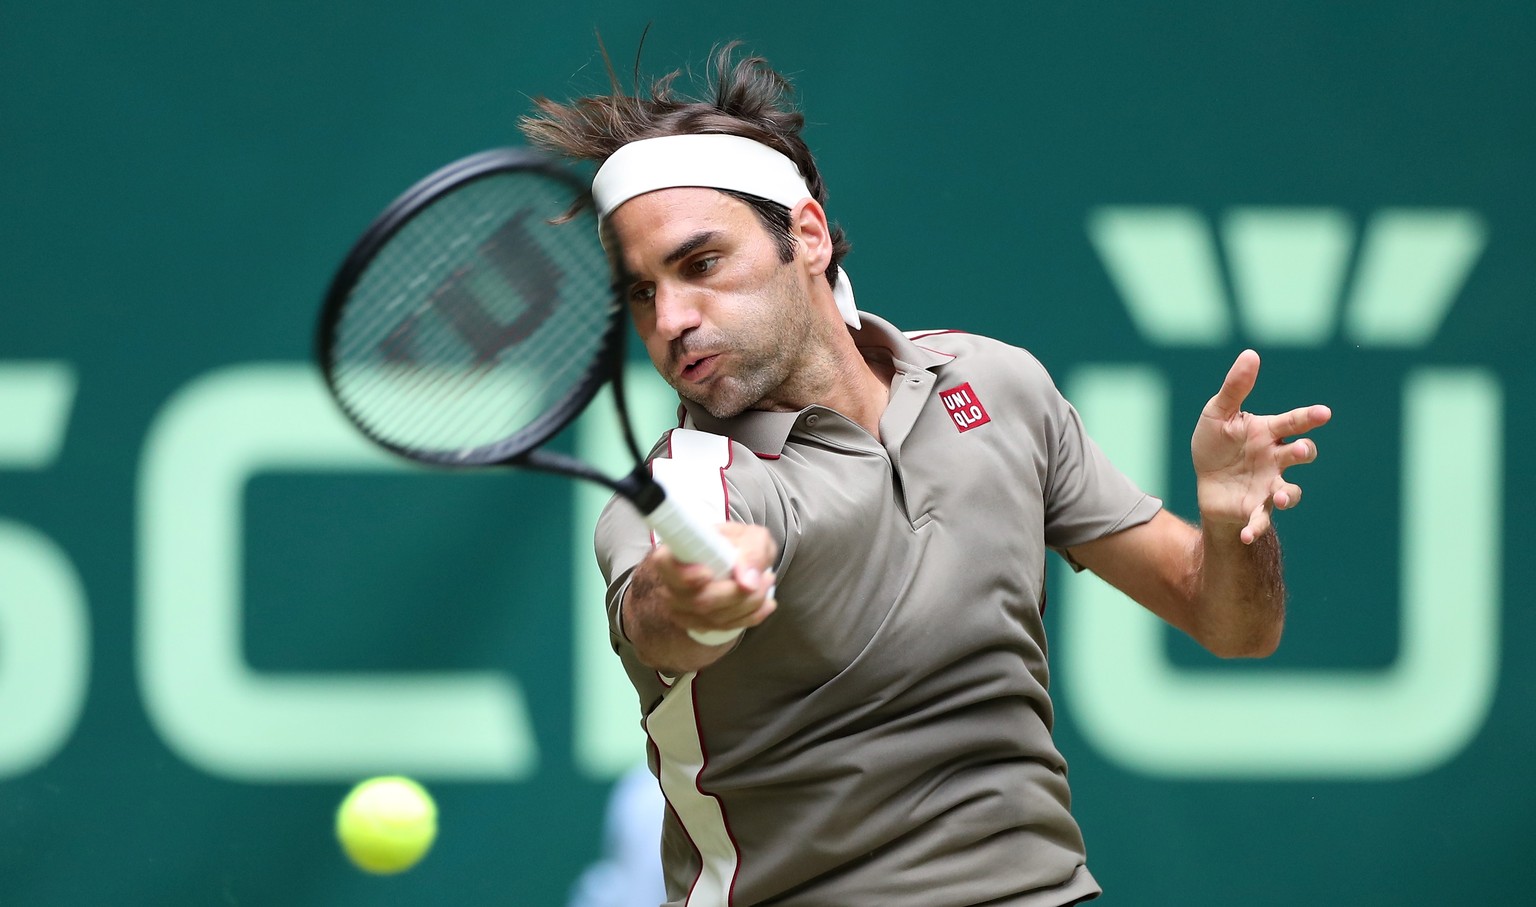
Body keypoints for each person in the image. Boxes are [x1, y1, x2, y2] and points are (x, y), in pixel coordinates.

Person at [521, 43, 1331, 906]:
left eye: (701, 264)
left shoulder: (995, 386)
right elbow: (659, 613)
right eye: (640, 293)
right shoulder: (701, 484)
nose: (673, 318)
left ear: (806, 233)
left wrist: (1231, 522)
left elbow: (1233, 624)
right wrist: (687, 595)